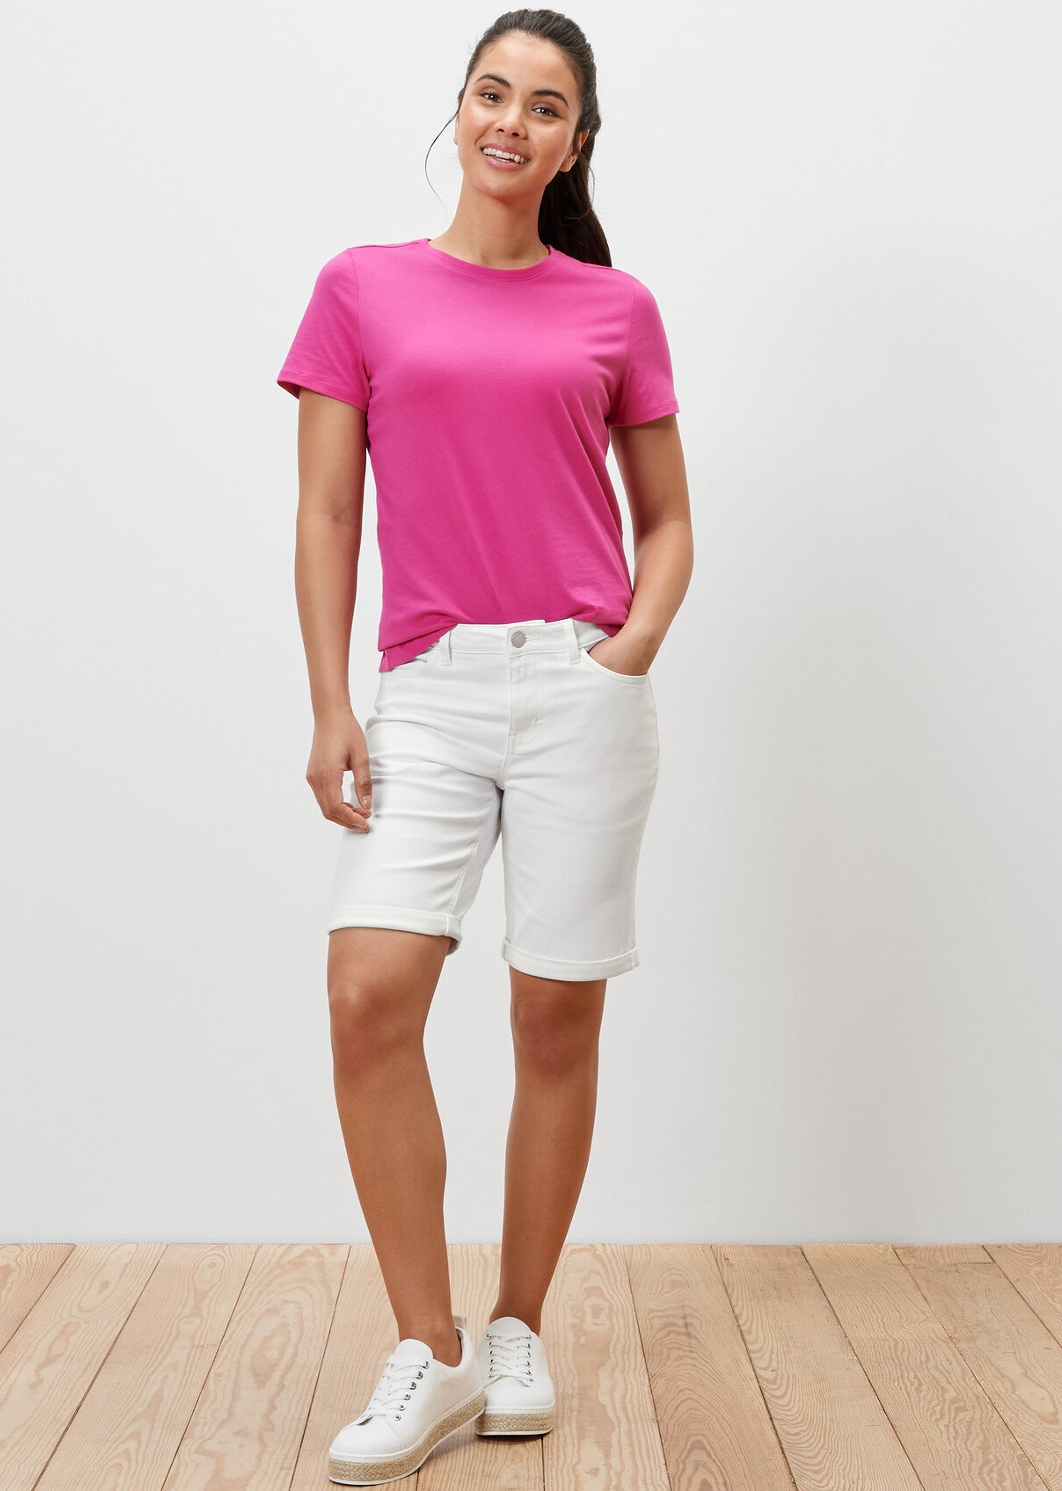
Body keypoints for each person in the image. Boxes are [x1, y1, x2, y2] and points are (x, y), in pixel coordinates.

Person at [278, 8, 692, 1483]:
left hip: (579, 688)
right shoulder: (362, 290)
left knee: (552, 1018)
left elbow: (669, 522)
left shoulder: (613, 308)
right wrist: (334, 702)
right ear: (457, 110)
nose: (512, 122)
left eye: (546, 106)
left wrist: (623, 651)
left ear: (578, 139)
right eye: (491, 93)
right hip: (429, 691)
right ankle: (431, 1350)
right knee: (366, 992)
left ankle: (515, 1329)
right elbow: (330, 513)